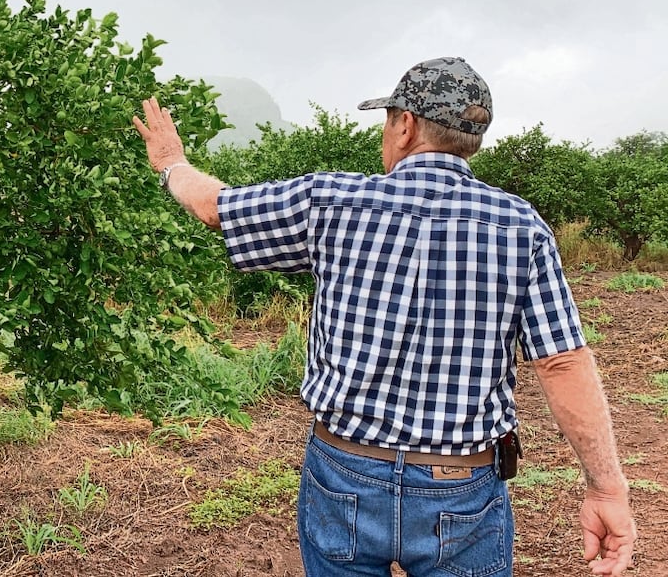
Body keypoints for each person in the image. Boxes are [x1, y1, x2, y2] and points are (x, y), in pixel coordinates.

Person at [132, 57, 636, 577]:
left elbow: (216, 207)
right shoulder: (522, 228)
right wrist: (606, 489)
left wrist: (172, 162)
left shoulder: (330, 202)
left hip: (343, 473)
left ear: (406, 125)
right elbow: (562, 363)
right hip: (461, 485)